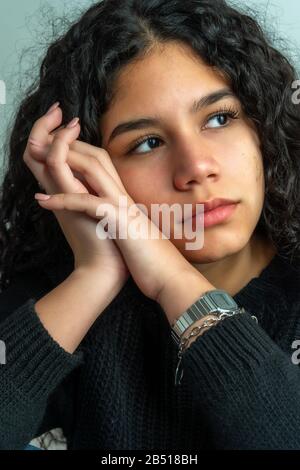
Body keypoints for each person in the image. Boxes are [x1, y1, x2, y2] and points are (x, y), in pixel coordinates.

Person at [0, 0, 300, 450]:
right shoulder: (56, 302)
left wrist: (173, 282)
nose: (196, 167)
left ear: (263, 126)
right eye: (148, 143)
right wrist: (93, 277)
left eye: (220, 118)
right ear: (86, 172)